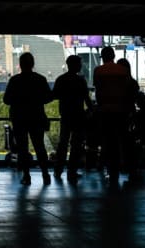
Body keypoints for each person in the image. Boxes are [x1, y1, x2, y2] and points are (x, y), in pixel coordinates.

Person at [3, 52, 53, 185]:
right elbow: (48, 97)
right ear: (33, 64)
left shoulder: (14, 80)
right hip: (36, 117)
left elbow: (6, 100)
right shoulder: (40, 79)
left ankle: (26, 175)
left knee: (22, 149)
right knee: (39, 146)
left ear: (20, 65)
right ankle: (45, 174)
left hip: (19, 118)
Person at [93, 46, 136, 186]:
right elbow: (128, 91)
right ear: (113, 56)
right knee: (122, 140)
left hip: (105, 111)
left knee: (109, 141)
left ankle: (112, 171)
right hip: (121, 111)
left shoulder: (98, 71)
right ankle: (126, 167)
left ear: (103, 57)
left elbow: (98, 92)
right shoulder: (123, 71)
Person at [52, 55, 94, 184]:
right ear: (76, 65)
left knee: (63, 144)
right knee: (76, 145)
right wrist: (92, 110)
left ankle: (58, 170)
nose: (81, 66)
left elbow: (54, 95)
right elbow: (86, 98)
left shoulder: (61, 79)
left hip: (66, 115)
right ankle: (72, 171)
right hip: (78, 116)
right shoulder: (80, 80)